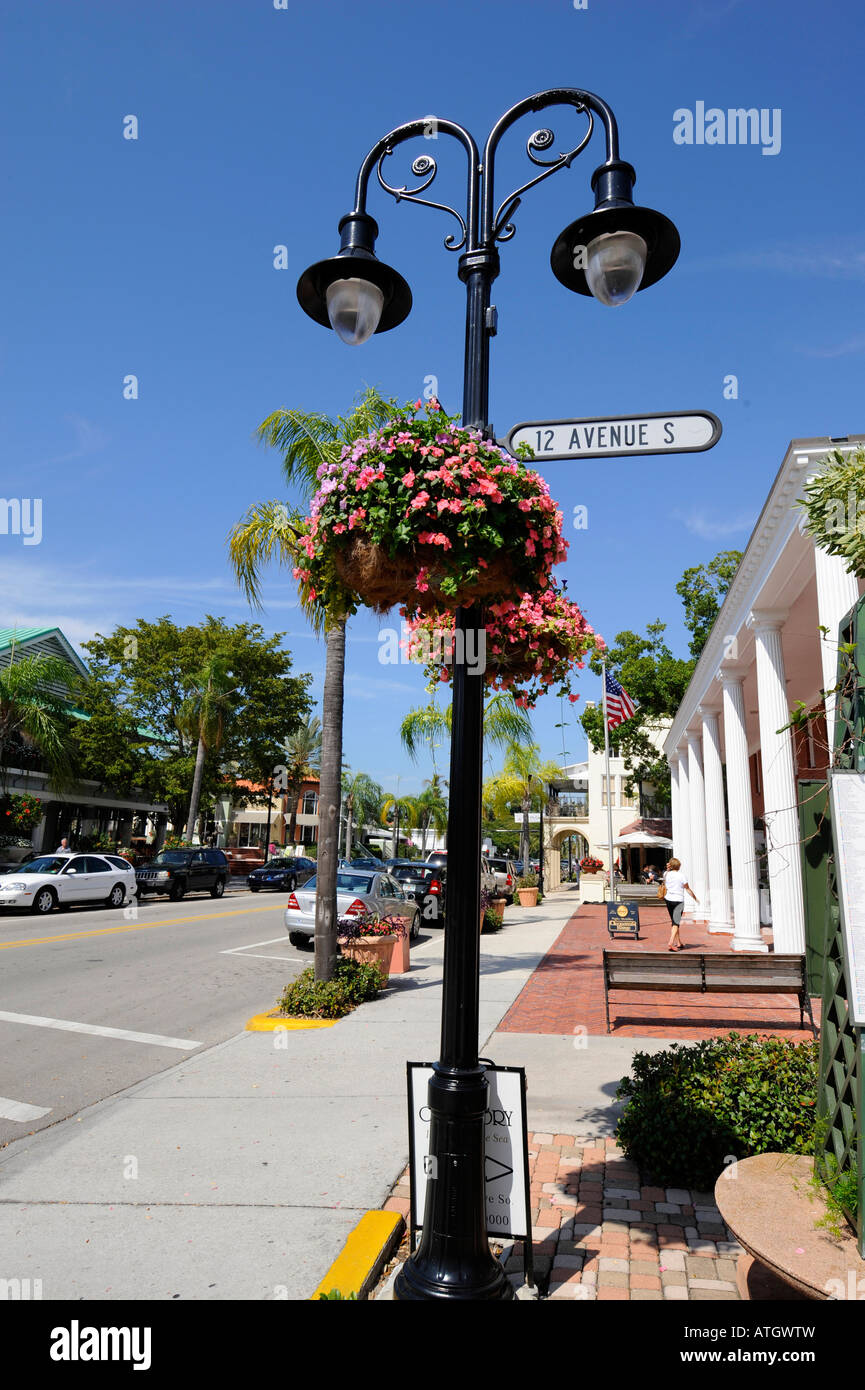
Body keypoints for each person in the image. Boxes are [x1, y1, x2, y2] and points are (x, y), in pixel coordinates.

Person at [662, 857, 698, 950]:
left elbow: (665, 881)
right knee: (676, 923)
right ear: (678, 866)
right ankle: (670, 942)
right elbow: (687, 889)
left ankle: (678, 942)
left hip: (668, 899)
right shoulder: (682, 876)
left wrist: (668, 868)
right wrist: (695, 898)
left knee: (674, 922)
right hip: (678, 901)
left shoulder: (666, 874)